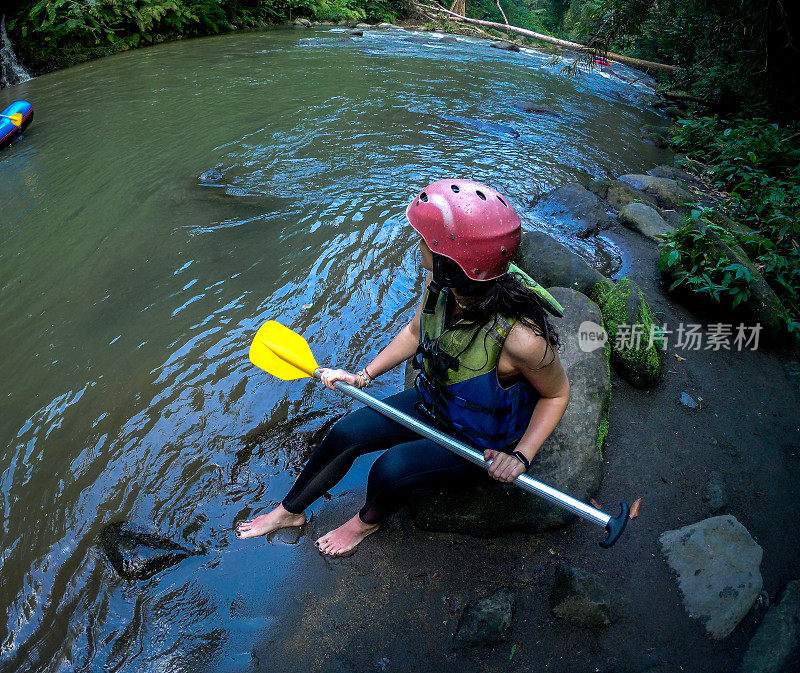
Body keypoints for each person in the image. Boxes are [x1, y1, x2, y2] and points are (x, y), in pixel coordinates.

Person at [236, 179, 570, 556]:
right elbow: (415, 331)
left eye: (427, 243)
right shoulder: (442, 286)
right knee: (346, 432)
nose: (419, 246)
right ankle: (289, 511)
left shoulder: (521, 338)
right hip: (436, 401)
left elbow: (557, 393)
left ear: (454, 263)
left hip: (478, 439)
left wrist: (521, 456)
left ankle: (366, 522)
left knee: (390, 468)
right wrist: (363, 375)